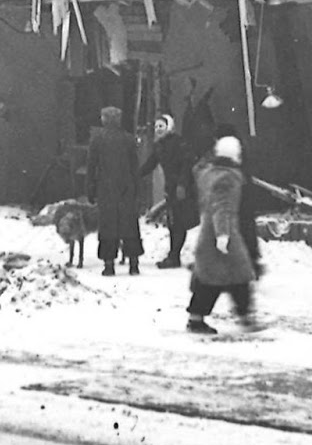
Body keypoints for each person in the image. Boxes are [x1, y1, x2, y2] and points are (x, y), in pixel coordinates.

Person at [186, 136, 260, 335]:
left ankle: (199, 318)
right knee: (236, 275)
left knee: (214, 278)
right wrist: (223, 235)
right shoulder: (228, 178)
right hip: (223, 234)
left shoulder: (209, 173)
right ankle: (243, 316)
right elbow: (222, 207)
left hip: (209, 234)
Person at [87, 106, 144, 276]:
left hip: (106, 188)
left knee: (108, 226)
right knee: (129, 225)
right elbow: (134, 167)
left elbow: (91, 167)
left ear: (103, 119)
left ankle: (109, 264)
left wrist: (90, 189)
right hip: (127, 188)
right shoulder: (128, 139)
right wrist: (137, 190)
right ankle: (133, 263)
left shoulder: (97, 140)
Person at [138, 113, 197, 269]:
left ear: (169, 127)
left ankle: (174, 256)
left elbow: (187, 164)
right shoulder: (159, 146)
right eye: (156, 127)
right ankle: (173, 255)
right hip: (171, 188)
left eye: (161, 126)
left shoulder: (179, 143)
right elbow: (150, 164)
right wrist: (135, 176)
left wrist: (182, 185)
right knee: (174, 223)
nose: (158, 129)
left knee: (178, 223)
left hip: (182, 188)